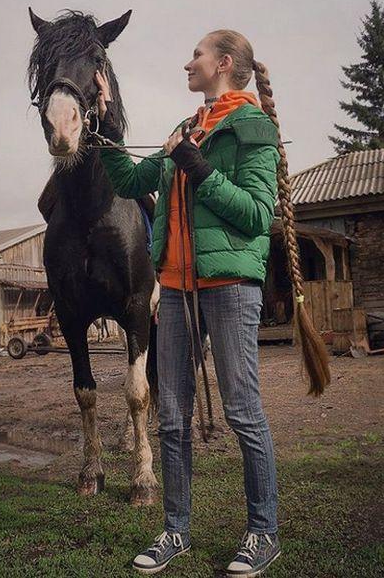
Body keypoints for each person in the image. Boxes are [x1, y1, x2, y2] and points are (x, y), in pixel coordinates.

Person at [95, 29, 283, 577]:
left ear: (223, 63)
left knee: (242, 412)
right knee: (171, 418)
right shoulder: (186, 128)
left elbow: (254, 214)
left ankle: (263, 532)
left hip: (229, 287)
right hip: (174, 290)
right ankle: (175, 530)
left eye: (196, 55)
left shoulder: (253, 128)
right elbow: (132, 178)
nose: (187, 63)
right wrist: (106, 123)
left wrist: (197, 167)